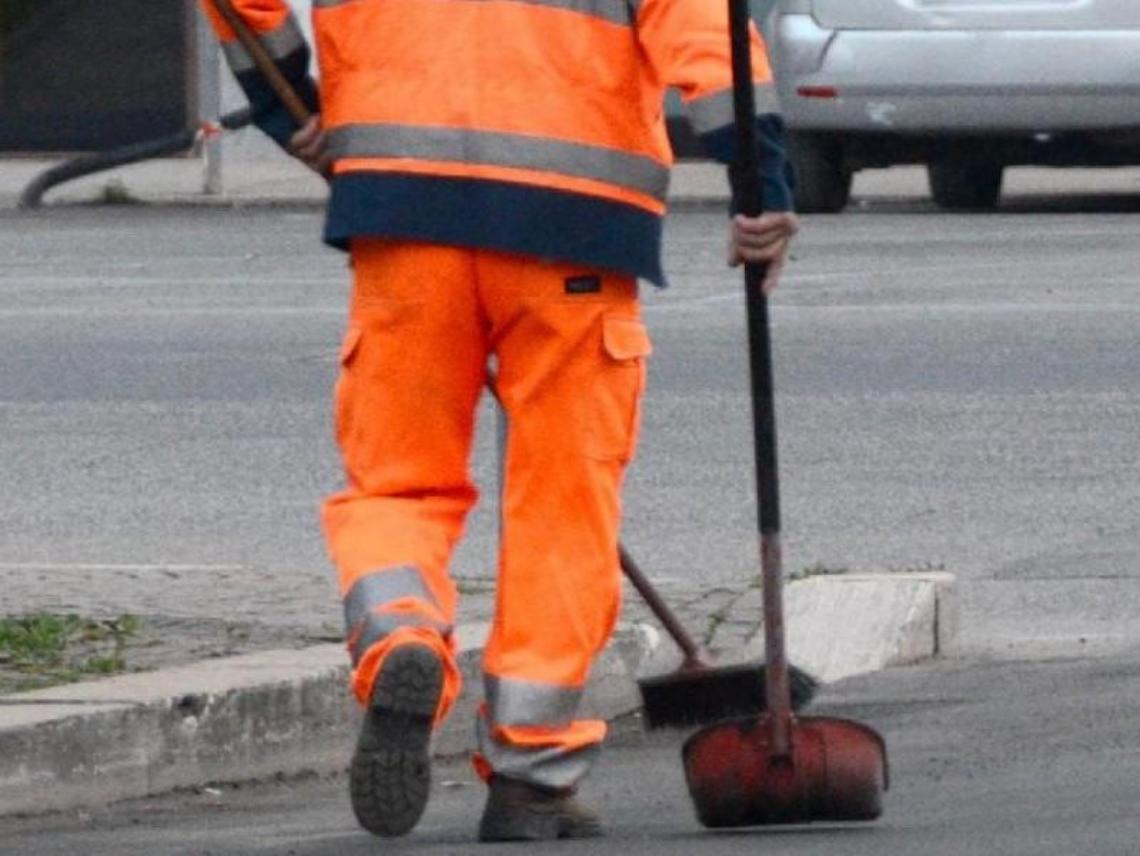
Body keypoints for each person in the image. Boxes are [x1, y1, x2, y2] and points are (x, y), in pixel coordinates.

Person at [201, 0, 798, 842]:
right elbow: (708, 36)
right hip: (573, 223)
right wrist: (762, 187)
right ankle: (532, 772)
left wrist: (291, 103)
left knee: (397, 485)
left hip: (399, 206)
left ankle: (400, 639)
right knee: (561, 503)